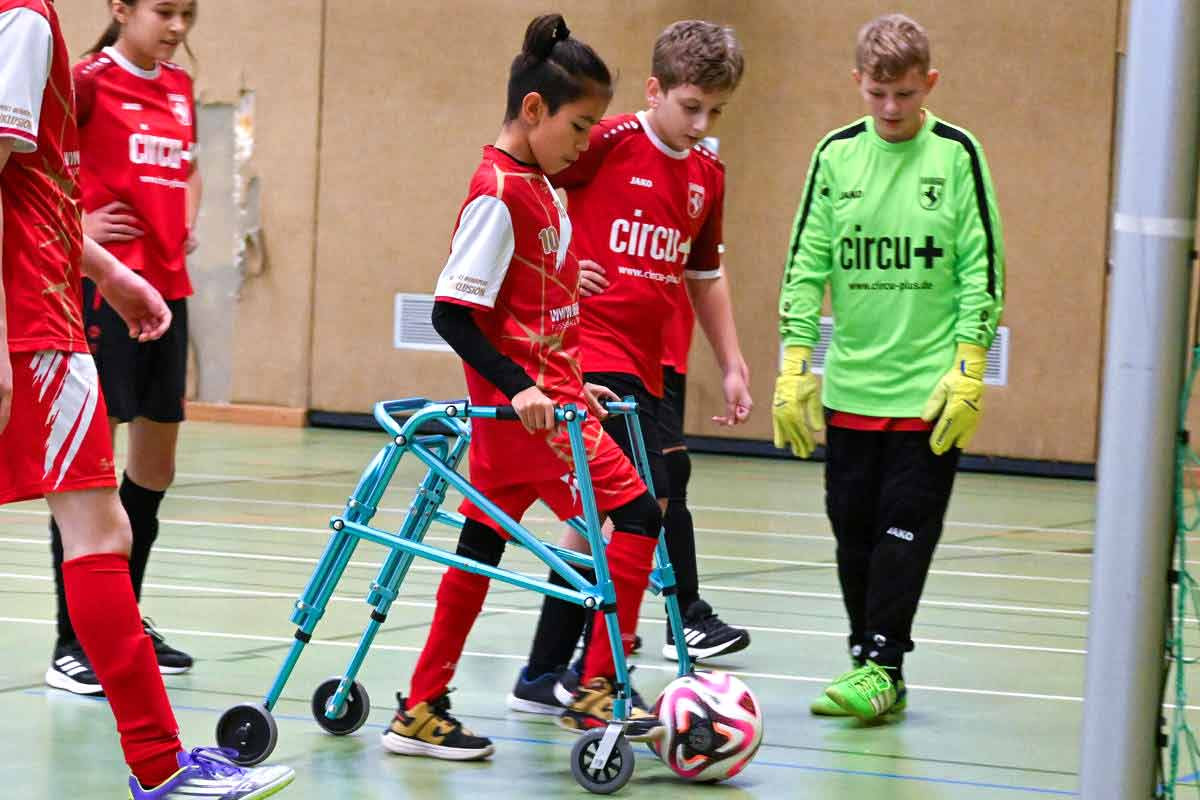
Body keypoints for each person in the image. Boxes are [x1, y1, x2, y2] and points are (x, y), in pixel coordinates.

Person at [0, 0, 294, 796]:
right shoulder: (26, 21)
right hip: (32, 323)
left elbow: (34, 189)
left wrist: (107, 270)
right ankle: (158, 767)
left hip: (59, 304)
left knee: (108, 523)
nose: (176, 23)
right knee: (99, 531)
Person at [380, 14, 665, 762]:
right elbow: (453, 313)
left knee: (479, 549)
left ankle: (418, 706)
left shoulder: (541, 187)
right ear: (533, 110)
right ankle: (598, 687)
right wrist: (522, 392)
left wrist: (572, 382)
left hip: (549, 415)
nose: (587, 141)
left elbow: (534, 319)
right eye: (580, 125)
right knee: (637, 515)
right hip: (536, 428)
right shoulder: (499, 195)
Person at [505, 19, 752, 718]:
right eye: (690, 107)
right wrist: (552, 264)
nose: (702, 125)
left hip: (654, 362)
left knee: (604, 513)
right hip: (590, 351)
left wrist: (732, 361)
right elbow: (528, 175)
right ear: (655, 90)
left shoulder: (706, 175)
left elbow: (705, 274)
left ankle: (548, 670)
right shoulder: (605, 141)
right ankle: (600, 670)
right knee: (652, 490)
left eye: (716, 113)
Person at [772, 13, 1005, 720]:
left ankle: (884, 663)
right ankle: (868, 662)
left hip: (930, 391)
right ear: (858, 84)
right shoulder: (835, 156)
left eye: (904, 93)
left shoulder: (958, 155)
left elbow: (981, 268)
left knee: (906, 526)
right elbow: (806, 264)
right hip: (852, 388)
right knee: (853, 530)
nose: (891, 109)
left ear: (928, 83)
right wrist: (793, 362)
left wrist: (969, 366)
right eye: (878, 93)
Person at [44, 0, 200, 698]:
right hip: (105, 291)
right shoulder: (85, 81)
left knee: (156, 465)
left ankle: (122, 622)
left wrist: (184, 219)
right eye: (164, 11)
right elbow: (33, 170)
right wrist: (80, 222)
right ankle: (72, 643)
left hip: (170, 288)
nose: (176, 28)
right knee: (88, 476)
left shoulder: (180, 87)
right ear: (120, 9)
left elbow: (184, 170)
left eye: (188, 15)